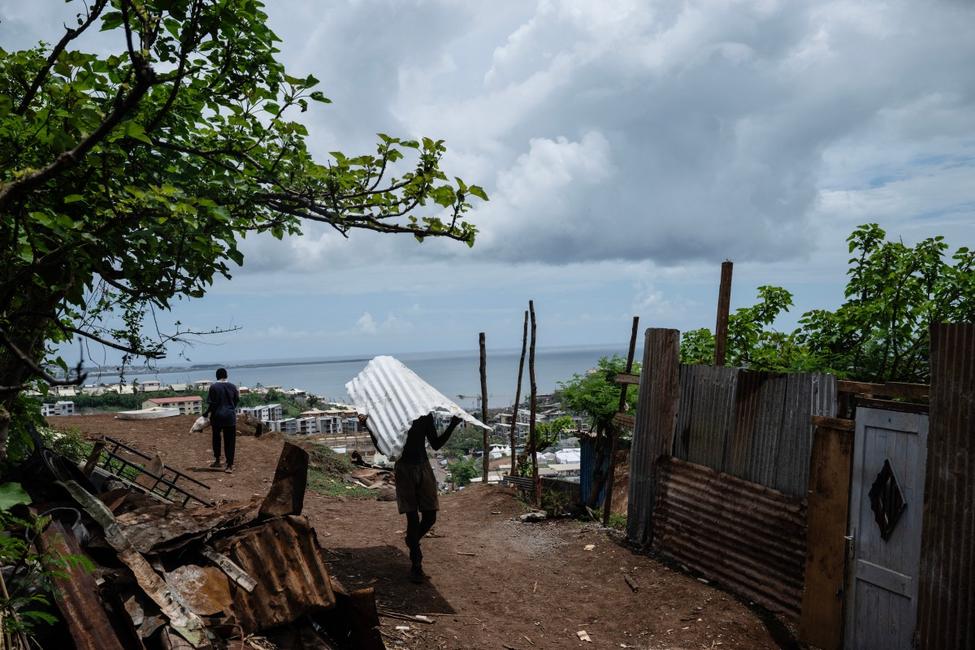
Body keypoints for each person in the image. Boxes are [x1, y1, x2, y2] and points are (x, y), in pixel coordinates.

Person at [360, 412, 462, 583]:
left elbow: (435, 444)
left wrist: (452, 424)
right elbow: (383, 448)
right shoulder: (395, 416)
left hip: (423, 467)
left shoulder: (425, 415)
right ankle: (416, 564)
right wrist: (369, 427)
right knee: (413, 519)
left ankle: (411, 539)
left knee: (430, 517)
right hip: (404, 469)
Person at [203, 368, 239, 473]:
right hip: (230, 417)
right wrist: (230, 408)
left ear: (216, 376)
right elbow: (236, 401)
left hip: (217, 417)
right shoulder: (233, 387)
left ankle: (217, 460)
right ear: (226, 376)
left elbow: (212, 404)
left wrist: (206, 413)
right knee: (230, 441)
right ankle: (229, 465)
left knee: (216, 439)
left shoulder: (214, 387)